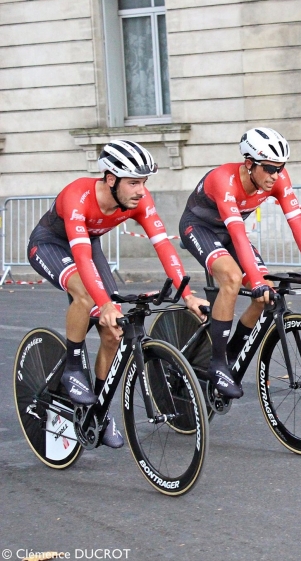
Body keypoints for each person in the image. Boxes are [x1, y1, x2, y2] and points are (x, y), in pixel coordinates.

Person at [28, 140, 208, 448]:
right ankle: (72, 367)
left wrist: (187, 294)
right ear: (110, 179)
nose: (141, 190)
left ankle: (98, 412)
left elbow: (163, 245)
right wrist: (104, 304)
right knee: (88, 296)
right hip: (51, 245)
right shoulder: (77, 196)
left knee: (113, 330)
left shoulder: (139, 200)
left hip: (88, 244)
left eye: (144, 182)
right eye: (133, 183)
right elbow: (81, 258)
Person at [179, 127, 301, 399]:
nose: (276, 175)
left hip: (229, 233)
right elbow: (238, 235)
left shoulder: (276, 178)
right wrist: (253, 280)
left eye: (281, 167)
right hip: (199, 228)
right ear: (249, 163)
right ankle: (217, 363)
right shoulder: (224, 180)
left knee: (265, 293)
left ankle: (232, 354)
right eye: (269, 168)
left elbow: (298, 224)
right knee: (232, 278)